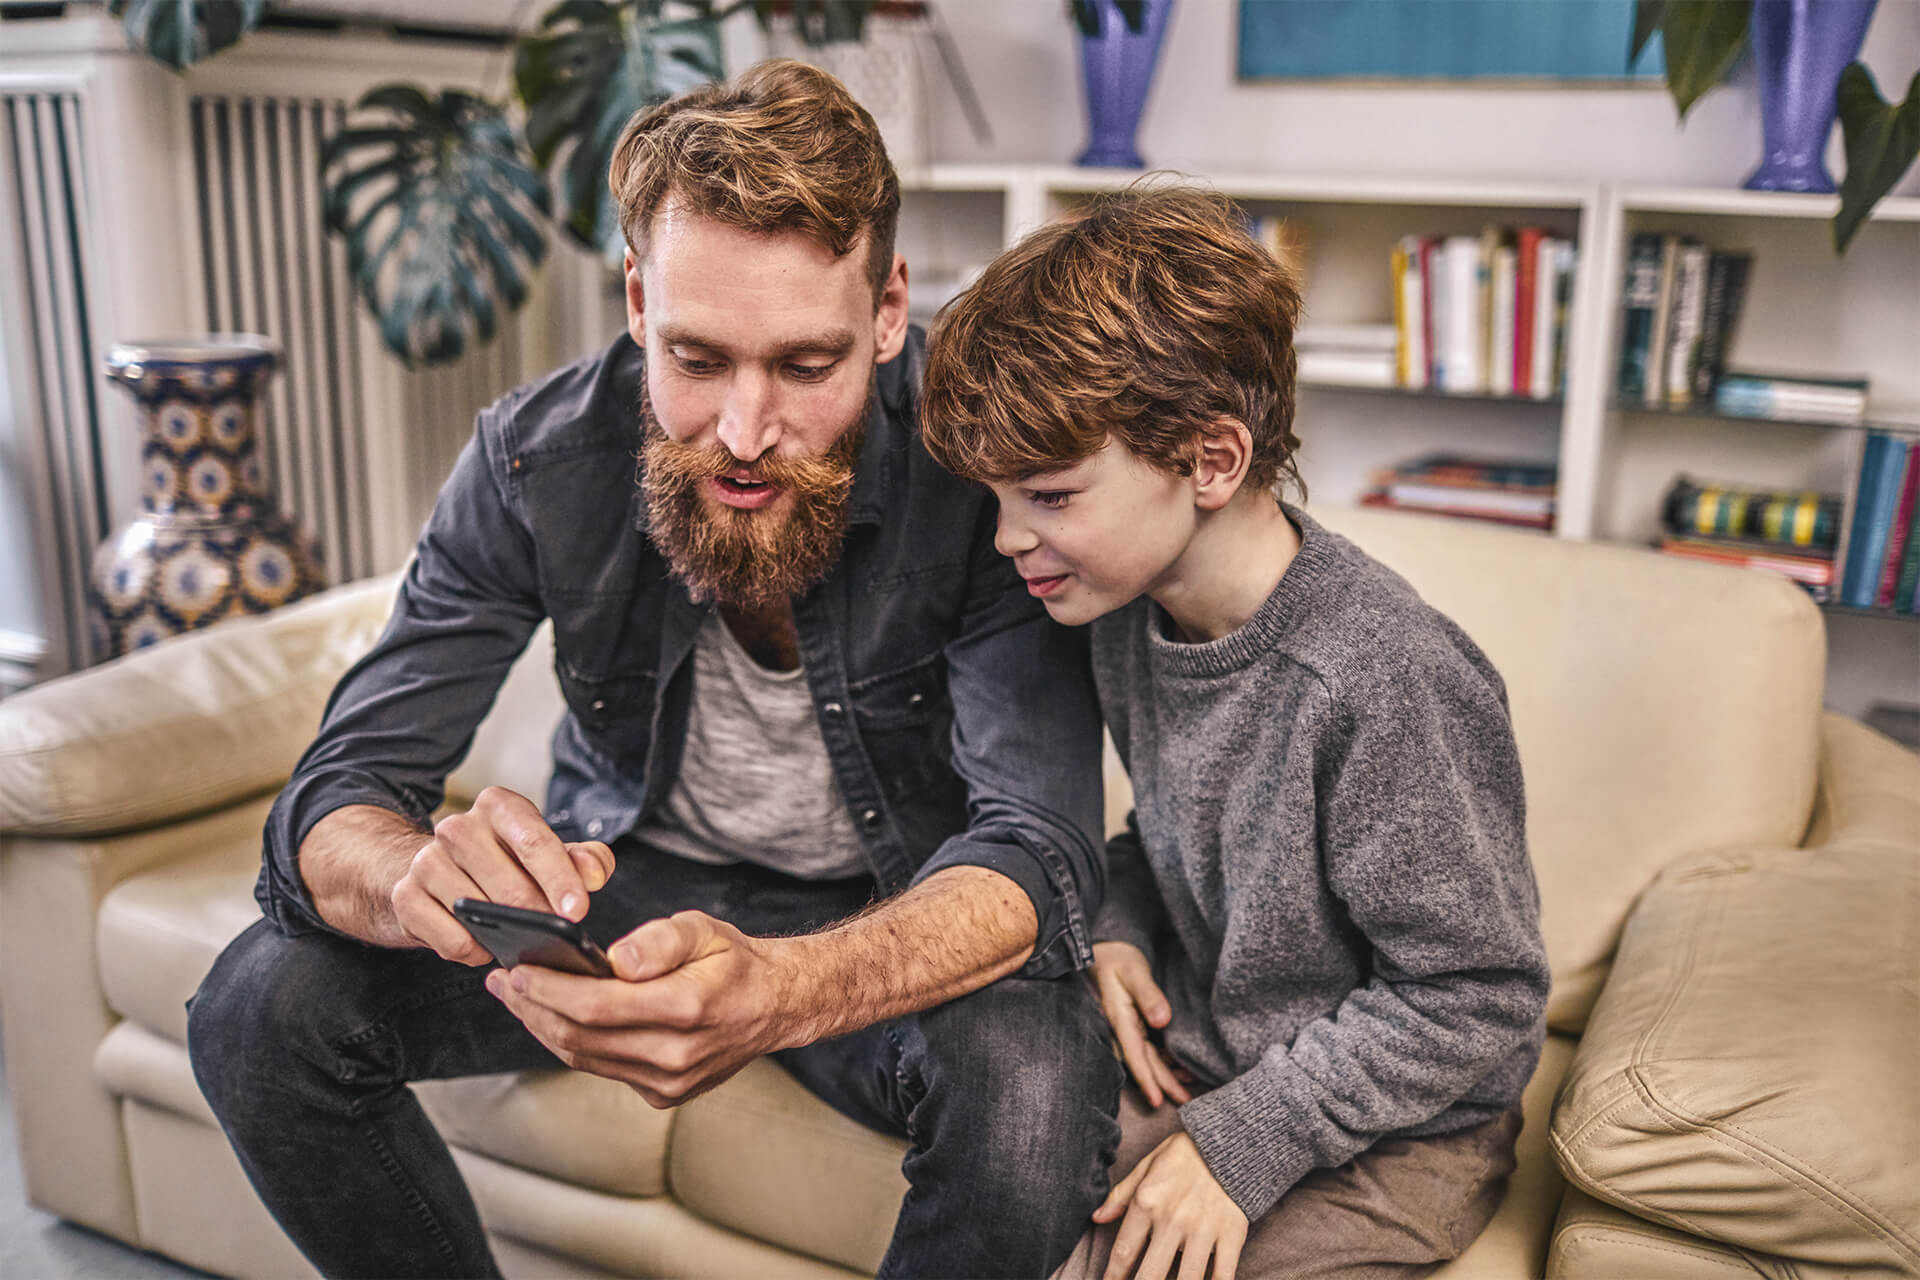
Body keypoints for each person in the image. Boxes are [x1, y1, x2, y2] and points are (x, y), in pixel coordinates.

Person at [186, 60, 1121, 1280]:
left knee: (1039, 1089)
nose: (743, 432)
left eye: (804, 365)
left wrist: (781, 988)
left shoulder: (982, 467)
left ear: (888, 309)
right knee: (258, 1011)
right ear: (637, 296)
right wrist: (412, 873)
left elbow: (1038, 851)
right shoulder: (539, 459)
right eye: (698, 358)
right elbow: (340, 787)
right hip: (617, 885)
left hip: (891, 899)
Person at [919, 185, 1552, 1280]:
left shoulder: (1381, 674)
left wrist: (1240, 1142)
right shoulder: (1124, 615)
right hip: (1210, 1064)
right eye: (996, 498)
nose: (1009, 536)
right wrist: (1116, 921)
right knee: (991, 1171)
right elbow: (1177, 838)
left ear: (1211, 460)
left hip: (1397, 1130)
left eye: (1050, 495)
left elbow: (1478, 996)